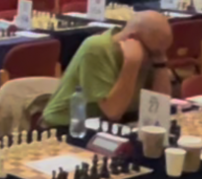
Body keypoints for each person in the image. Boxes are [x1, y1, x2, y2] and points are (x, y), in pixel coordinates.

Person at [40, 12, 174, 128]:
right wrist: (131, 64)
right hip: (67, 126)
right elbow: (113, 112)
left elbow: (159, 108)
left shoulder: (153, 52)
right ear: (132, 39)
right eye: (153, 53)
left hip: (112, 124)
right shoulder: (97, 48)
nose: (157, 58)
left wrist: (160, 64)